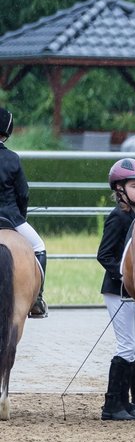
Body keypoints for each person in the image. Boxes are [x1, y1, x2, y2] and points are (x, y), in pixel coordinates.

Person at [96, 158, 135, 421]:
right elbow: (104, 254)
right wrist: (125, 275)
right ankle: (112, 404)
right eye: (134, 186)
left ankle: (134, 403)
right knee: (127, 345)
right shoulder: (118, 217)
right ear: (120, 188)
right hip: (117, 290)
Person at [0, 107, 48, 318]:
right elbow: (23, 194)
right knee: (39, 247)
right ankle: (37, 299)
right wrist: (21, 216)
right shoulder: (12, 159)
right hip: (11, 216)